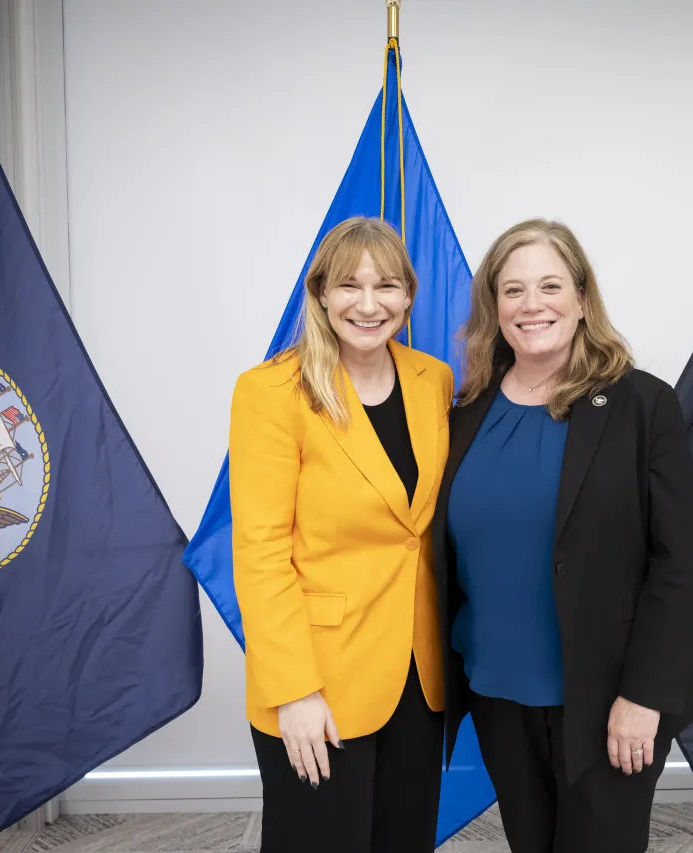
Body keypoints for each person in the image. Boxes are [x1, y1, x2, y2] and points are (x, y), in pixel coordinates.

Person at [433, 219, 693, 853]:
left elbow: (679, 562)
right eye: (513, 290)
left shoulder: (642, 406)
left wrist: (644, 696)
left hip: (608, 698)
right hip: (498, 691)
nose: (532, 305)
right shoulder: (465, 413)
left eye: (550, 285)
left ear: (582, 299)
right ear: (493, 308)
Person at [230, 216, 453, 853]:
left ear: (408, 296)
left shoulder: (432, 380)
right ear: (320, 293)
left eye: (386, 286)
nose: (367, 303)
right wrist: (294, 690)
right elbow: (260, 553)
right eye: (349, 285)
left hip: (419, 671)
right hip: (318, 678)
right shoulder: (270, 392)